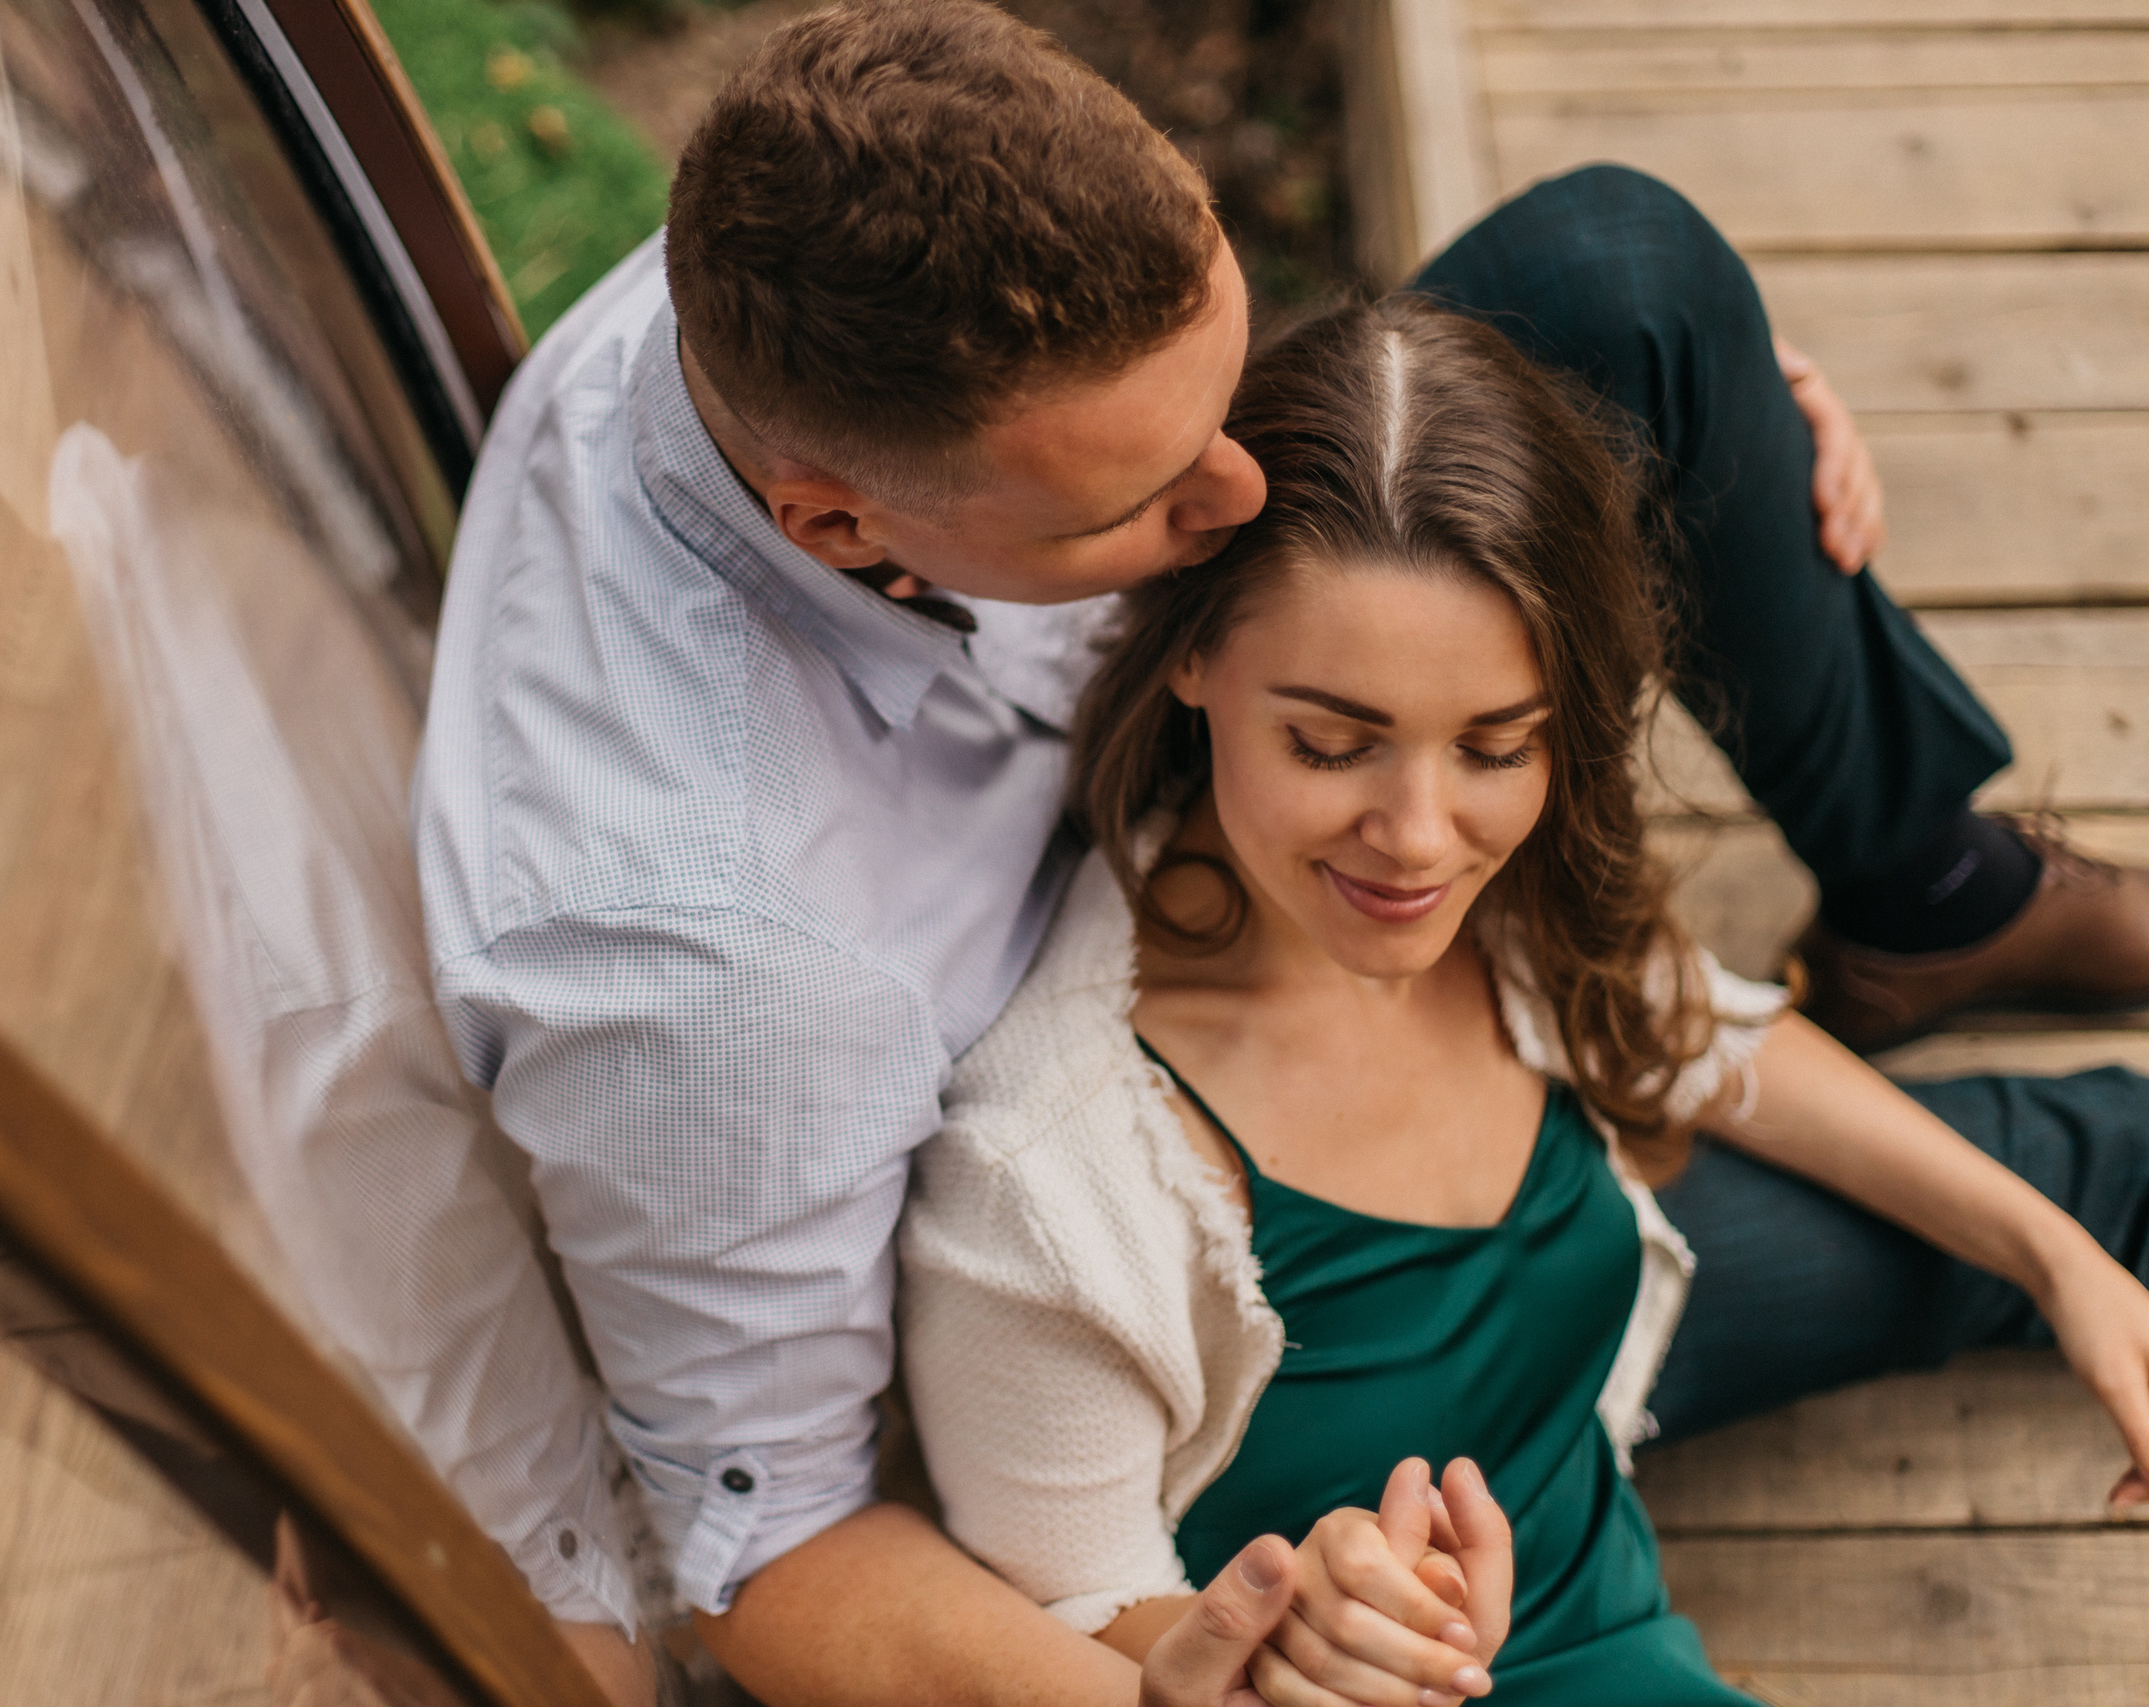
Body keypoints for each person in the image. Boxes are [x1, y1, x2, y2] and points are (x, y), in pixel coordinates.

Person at [409, 2, 2149, 1697]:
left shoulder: (818, 240)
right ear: (840, 524)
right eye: (1144, 499)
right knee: (2060, 1173)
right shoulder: (711, 973)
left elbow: (1651, 996)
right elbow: (774, 1544)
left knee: (1629, 287)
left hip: (1362, 1021)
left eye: (1224, 395)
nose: (1242, 499)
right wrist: (1196, 1678)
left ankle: (1937, 899)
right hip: (1235, 1361)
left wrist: (1661, 451)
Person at [895, 295, 2149, 1706]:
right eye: (1330, 744)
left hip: (1617, 1556)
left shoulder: (1519, 896)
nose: (1420, 842)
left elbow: (1690, 1029)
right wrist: (1280, 1646)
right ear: (1190, 651)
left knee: (2108, 1160)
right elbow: (1070, 1608)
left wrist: (2057, 1263)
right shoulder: (1046, 1180)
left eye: (1496, 748)